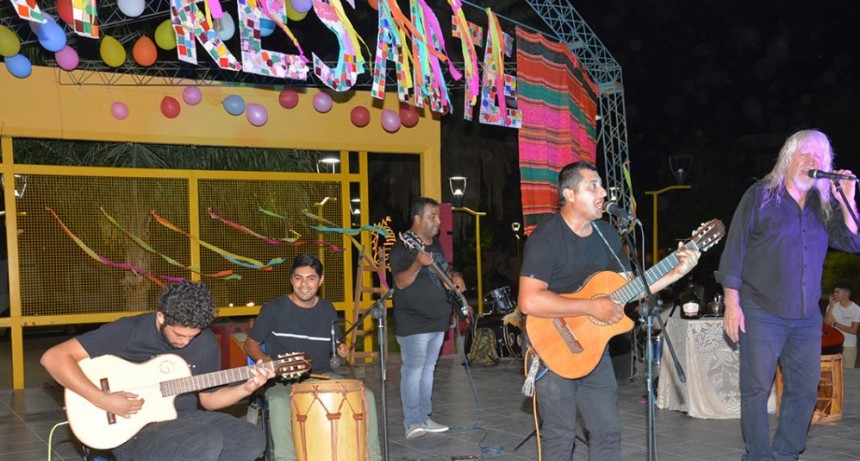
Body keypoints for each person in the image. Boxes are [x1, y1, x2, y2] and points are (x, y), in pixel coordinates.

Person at [517, 161, 700, 460]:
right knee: (560, 436)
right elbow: (529, 301)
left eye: (602, 185)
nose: (603, 192)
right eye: (593, 186)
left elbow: (632, 288)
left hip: (593, 348)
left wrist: (677, 271)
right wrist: (592, 306)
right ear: (569, 194)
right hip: (550, 344)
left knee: (607, 432)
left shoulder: (607, 234)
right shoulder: (546, 237)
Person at [716, 129, 860, 461]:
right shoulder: (760, 196)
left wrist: (847, 198)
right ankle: (758, 456)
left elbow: (852, 242)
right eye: (806, 154)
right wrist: (731, 302)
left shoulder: (823, 206)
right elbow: (734, 250)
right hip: (762, 310)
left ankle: (785, 454)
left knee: (805, 390)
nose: (813, 162)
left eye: (819, 157)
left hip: (807, 315)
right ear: (787, 158)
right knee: (756, 389)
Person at [40, 280, 273, 461]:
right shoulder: (129, 330)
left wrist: (246, 387)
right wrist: (104, 400)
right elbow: (54, 357)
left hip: (183, 420)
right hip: (131, 429)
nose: (185, 343)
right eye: (179, 335)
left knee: (250, 437)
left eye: (192, 336)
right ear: (161, 317)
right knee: (204, 441)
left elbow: (209, 399)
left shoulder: (204, 341)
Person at [244, 254, 382, 461]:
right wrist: (266, 361)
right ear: (291, 280)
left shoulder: (327, 309)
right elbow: (250, 344)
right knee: (280, 402)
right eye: (298, 278)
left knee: (365, 395)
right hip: (283, 379)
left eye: (311, 278)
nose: (304, 284)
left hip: (321, 376)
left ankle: (370, 457)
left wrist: (340, 349)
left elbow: (334, 344)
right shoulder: (273, 309)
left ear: (320, 280)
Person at [391, 197, 466, 440]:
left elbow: (446, 268)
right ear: (418, 219)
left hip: (437, 320)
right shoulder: (403, 248)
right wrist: (417, 264)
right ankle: (412, 422)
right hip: (414, 322)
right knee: (413, 371)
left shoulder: (435, 245)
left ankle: (425, 417)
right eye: (433, 216)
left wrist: (456, 275)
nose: (438, 221)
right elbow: (400, 282)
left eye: (438, 216)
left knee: (428, 371)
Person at [824, 282, 860, 368]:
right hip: (834, 345)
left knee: (848, 373)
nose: (834, 294)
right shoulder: (831, 306)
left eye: (837, 292)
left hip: (849, 345)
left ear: (846, 293)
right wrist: (832, 305)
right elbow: (827, 324)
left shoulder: (856, 309)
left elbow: (853, 330)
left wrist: (836, 324)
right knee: (833, 371)